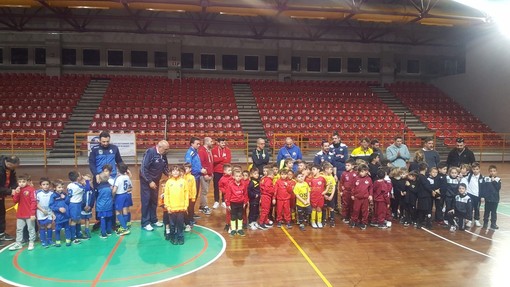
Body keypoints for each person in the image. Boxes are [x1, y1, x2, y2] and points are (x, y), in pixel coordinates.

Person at [140, 140, 170, 231]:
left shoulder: (163, 154)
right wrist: (149, 181)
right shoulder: (150, 152)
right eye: (165, 149)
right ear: (159, 147)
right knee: (146, 201)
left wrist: (170, 175)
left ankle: (153, 219)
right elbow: (143, 168)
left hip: (156, 181)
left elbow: (165, 167)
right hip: (146, 181)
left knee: (154, 201)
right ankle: (145, 222)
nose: (166, 151)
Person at [8, 174, 36, 251]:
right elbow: (15, 201)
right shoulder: (18, 190)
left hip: (29, 214)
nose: (21, 183)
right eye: (20, 182)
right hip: (20, 214)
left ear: (27, 182)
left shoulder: (31, 189)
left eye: (23, 182)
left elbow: (34, 202)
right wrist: (16, 193)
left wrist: (33, 213)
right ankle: (18, 243)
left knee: (31, 228)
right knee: (19, 229)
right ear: (17, 182)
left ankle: (31, 241)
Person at [164, 165, 189, 245]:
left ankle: (180, 237)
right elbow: (166, 195)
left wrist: (186, 205)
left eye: (177, 170)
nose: (175, 172)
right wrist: (168, 206)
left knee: (180, 224)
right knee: (172, 225)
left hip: (181, 208)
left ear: (180, 172)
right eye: (173, 171)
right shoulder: (168, 182)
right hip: (171, 208)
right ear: (171, 172)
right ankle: (173, 237)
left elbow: (186, 194)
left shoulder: (183, 181)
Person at [185, 137, 207, 219]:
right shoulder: (190, 153)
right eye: (197, 144)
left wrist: (201, 168)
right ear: (192, 144)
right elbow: (188, 166)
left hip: (197, 177)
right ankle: (189, 215)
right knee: (192, 196)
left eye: (199, 144)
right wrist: (200, 170)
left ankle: (191, 212)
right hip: (193, 178)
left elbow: (197, 163)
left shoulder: (195, 152)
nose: (199, 145)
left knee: (195, 196)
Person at [0, 155, 19, 245]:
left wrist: (16, 188)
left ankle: (1, 234)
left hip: (1, 195)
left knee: (2, 214)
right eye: (13, 167)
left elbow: (13, 181)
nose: (14, 169)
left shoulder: (10, 169)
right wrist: (10, 191)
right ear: (8, 163)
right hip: (2, 191)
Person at [67, 171, 88, 244]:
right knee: (74, 220)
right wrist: (86, 181)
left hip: (76, 204)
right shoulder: (77, 186)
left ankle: (78, 234)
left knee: (78, 219)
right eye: (80, 175)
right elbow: (87, 188)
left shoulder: (70, 185)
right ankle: (73, 237)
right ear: (77, 177)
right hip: (75, 205)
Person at [226, 170, 248, 237]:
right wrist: (228, 204)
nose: (238, 177)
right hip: (233, 203)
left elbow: (245, 194)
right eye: (236, 176)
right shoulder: (230, 184)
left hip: (241, 203)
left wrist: (245, 202)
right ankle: (233, 229)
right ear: (233, 176)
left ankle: (239, 229)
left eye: (239, 176)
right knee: (233, 216)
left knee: (240, 216)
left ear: (241, 177)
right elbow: (228, 194)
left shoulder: (243, 184)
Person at [350, 164, 373, 230]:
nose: (361, 173)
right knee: (356, 210)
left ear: (366, 171)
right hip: (357, 197)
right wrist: (352, 194)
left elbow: (371, 188)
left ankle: (364, 223)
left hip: (365, 198)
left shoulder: (369, 179)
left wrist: (370, 195)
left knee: (365, 211)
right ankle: (354, 221)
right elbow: (353, 187)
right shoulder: (356, 178)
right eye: (360, 172)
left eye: (362, 172)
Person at [49, 179, 71, 247]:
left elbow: (68, 202)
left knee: (67, 228)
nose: (61, 189)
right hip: (58, 216)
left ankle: (68, 240)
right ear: (55, 188)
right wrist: (59, 209)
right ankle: (58, 241)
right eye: (59, 187)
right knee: (58, 229)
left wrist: (65, 198)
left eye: (62, 187)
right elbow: (51, 206)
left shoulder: (64, 194)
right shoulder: (53, 196)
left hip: (66, 216)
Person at [461, 162, 483, 228]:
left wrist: (482, 196)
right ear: (472, 170)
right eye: (474, 169)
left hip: (478, 196)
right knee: (469, 208)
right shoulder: (469, 176)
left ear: (479, 169)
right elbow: (463, 176)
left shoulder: (482, 178)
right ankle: (469, 220)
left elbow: (483, 188)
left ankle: (476, 219)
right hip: (470, 194)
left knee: (477, 208)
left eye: (477, 169)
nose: (475, 171)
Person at [212, 138, 232, 209]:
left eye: (224, 142)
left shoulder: (228, 150)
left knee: (225, 186)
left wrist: (219, 159)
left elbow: (228, 160)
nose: (223, 144)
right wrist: (223, 158)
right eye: (222, 143)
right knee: (216, 186)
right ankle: (216, 201)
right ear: (218, 143)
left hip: (225, 172)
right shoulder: (214, 150)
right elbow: (214, 160)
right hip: (216, 171)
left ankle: (224, 201)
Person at [112, 163, 132, 235]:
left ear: (118, 169)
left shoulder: (118, 178)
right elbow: (130, 187)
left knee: (118, 212)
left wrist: (112, 196)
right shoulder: (127, 177)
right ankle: (126, 225)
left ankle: (124, 228)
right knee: (125, 211)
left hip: (119, 196)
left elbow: (114, 190)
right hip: (126, 195)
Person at [36, 177, 54, 247]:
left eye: (47, 184)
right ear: (40, 186)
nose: (45, 186)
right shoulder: (38, 193)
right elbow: (36, 204)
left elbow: (53, 203)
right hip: (41, 212)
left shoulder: (51, 193)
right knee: (42, 227)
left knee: (49, 226)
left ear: (49, 185)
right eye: (43, 184)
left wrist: (52, 212)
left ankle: (49, 239)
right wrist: (42, 210)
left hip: (49, 212)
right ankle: (43, 240)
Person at [481, 165, 500, 230]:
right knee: (486, 212)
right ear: (489, 172)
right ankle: (485, 223)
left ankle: (493, 224)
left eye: (494, 171)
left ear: (496, 172)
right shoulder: (486, 179)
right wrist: (483, 196)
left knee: (494, 212)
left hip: (495, 199)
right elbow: (483, 188)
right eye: (491, 171)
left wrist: (494, 181)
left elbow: (498, 188)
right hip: (488, 199)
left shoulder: (498, 179)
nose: (492, 172)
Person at [198, 137, 213, 215]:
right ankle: (204, 206)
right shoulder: (201, 151)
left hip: (210, 173)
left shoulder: (208, 150)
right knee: (204, 191)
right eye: (211, 141)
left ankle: (201, 206)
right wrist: (205, 174)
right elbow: (201, 163)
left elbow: (210, 162)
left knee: (205, 191)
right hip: (205, 174)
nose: (212, 143)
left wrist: (211, 172)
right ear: (206, 142)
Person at [95, 173, 114, 239]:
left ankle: (103, 233)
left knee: (102, 219)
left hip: (101, 206)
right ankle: (109, 231)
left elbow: (96, 195)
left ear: (99, 179)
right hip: (109, 205)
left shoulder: (98, 187)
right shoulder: (110, 186)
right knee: (109, 218)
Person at [339, 159, 357, 223]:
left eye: (348, 165)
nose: (346, 166)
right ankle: (345, 217)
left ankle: (351, 217)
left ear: (353, 166)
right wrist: (341, 191)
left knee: (352, 205)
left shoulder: (356, 174)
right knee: (345, 205)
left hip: (353, 193)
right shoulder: (344, 173)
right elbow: (341, 183)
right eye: (346, 165)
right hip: (346, 192)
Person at [310, 165, 326, 229]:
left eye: (314, 169)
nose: (312, 171)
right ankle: (313, 221)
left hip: (320, 197)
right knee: (313, 209)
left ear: (318, 170)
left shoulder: (322, 178)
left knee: (319, 209)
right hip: (313, 196)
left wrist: (325, 192)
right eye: (312, 169)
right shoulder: (311, 179)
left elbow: (327, 185)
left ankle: (319, 221)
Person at [218, 164, 233, 231]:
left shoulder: (233, 177)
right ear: (224, 171)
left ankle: (233, 223)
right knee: (228, 211)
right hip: (227, 197)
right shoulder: (222, 179)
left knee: (234, 210)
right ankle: (228, 224)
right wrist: (225, 191)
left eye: (231, 170)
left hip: (233, 196)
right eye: (229, 170)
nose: (230, 171)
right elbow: (220, 187)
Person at [183, 163, 197, 232]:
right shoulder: (182, 177)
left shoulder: (192, 177)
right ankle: (185, 221)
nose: (185, 170)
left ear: (190, 169)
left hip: (190, 197)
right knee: (184, 210)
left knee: (190, 210)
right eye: (184, 168)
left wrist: (193, 197)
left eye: (187, 168)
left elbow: (194, 188)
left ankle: (191, 220)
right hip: (183, 198)